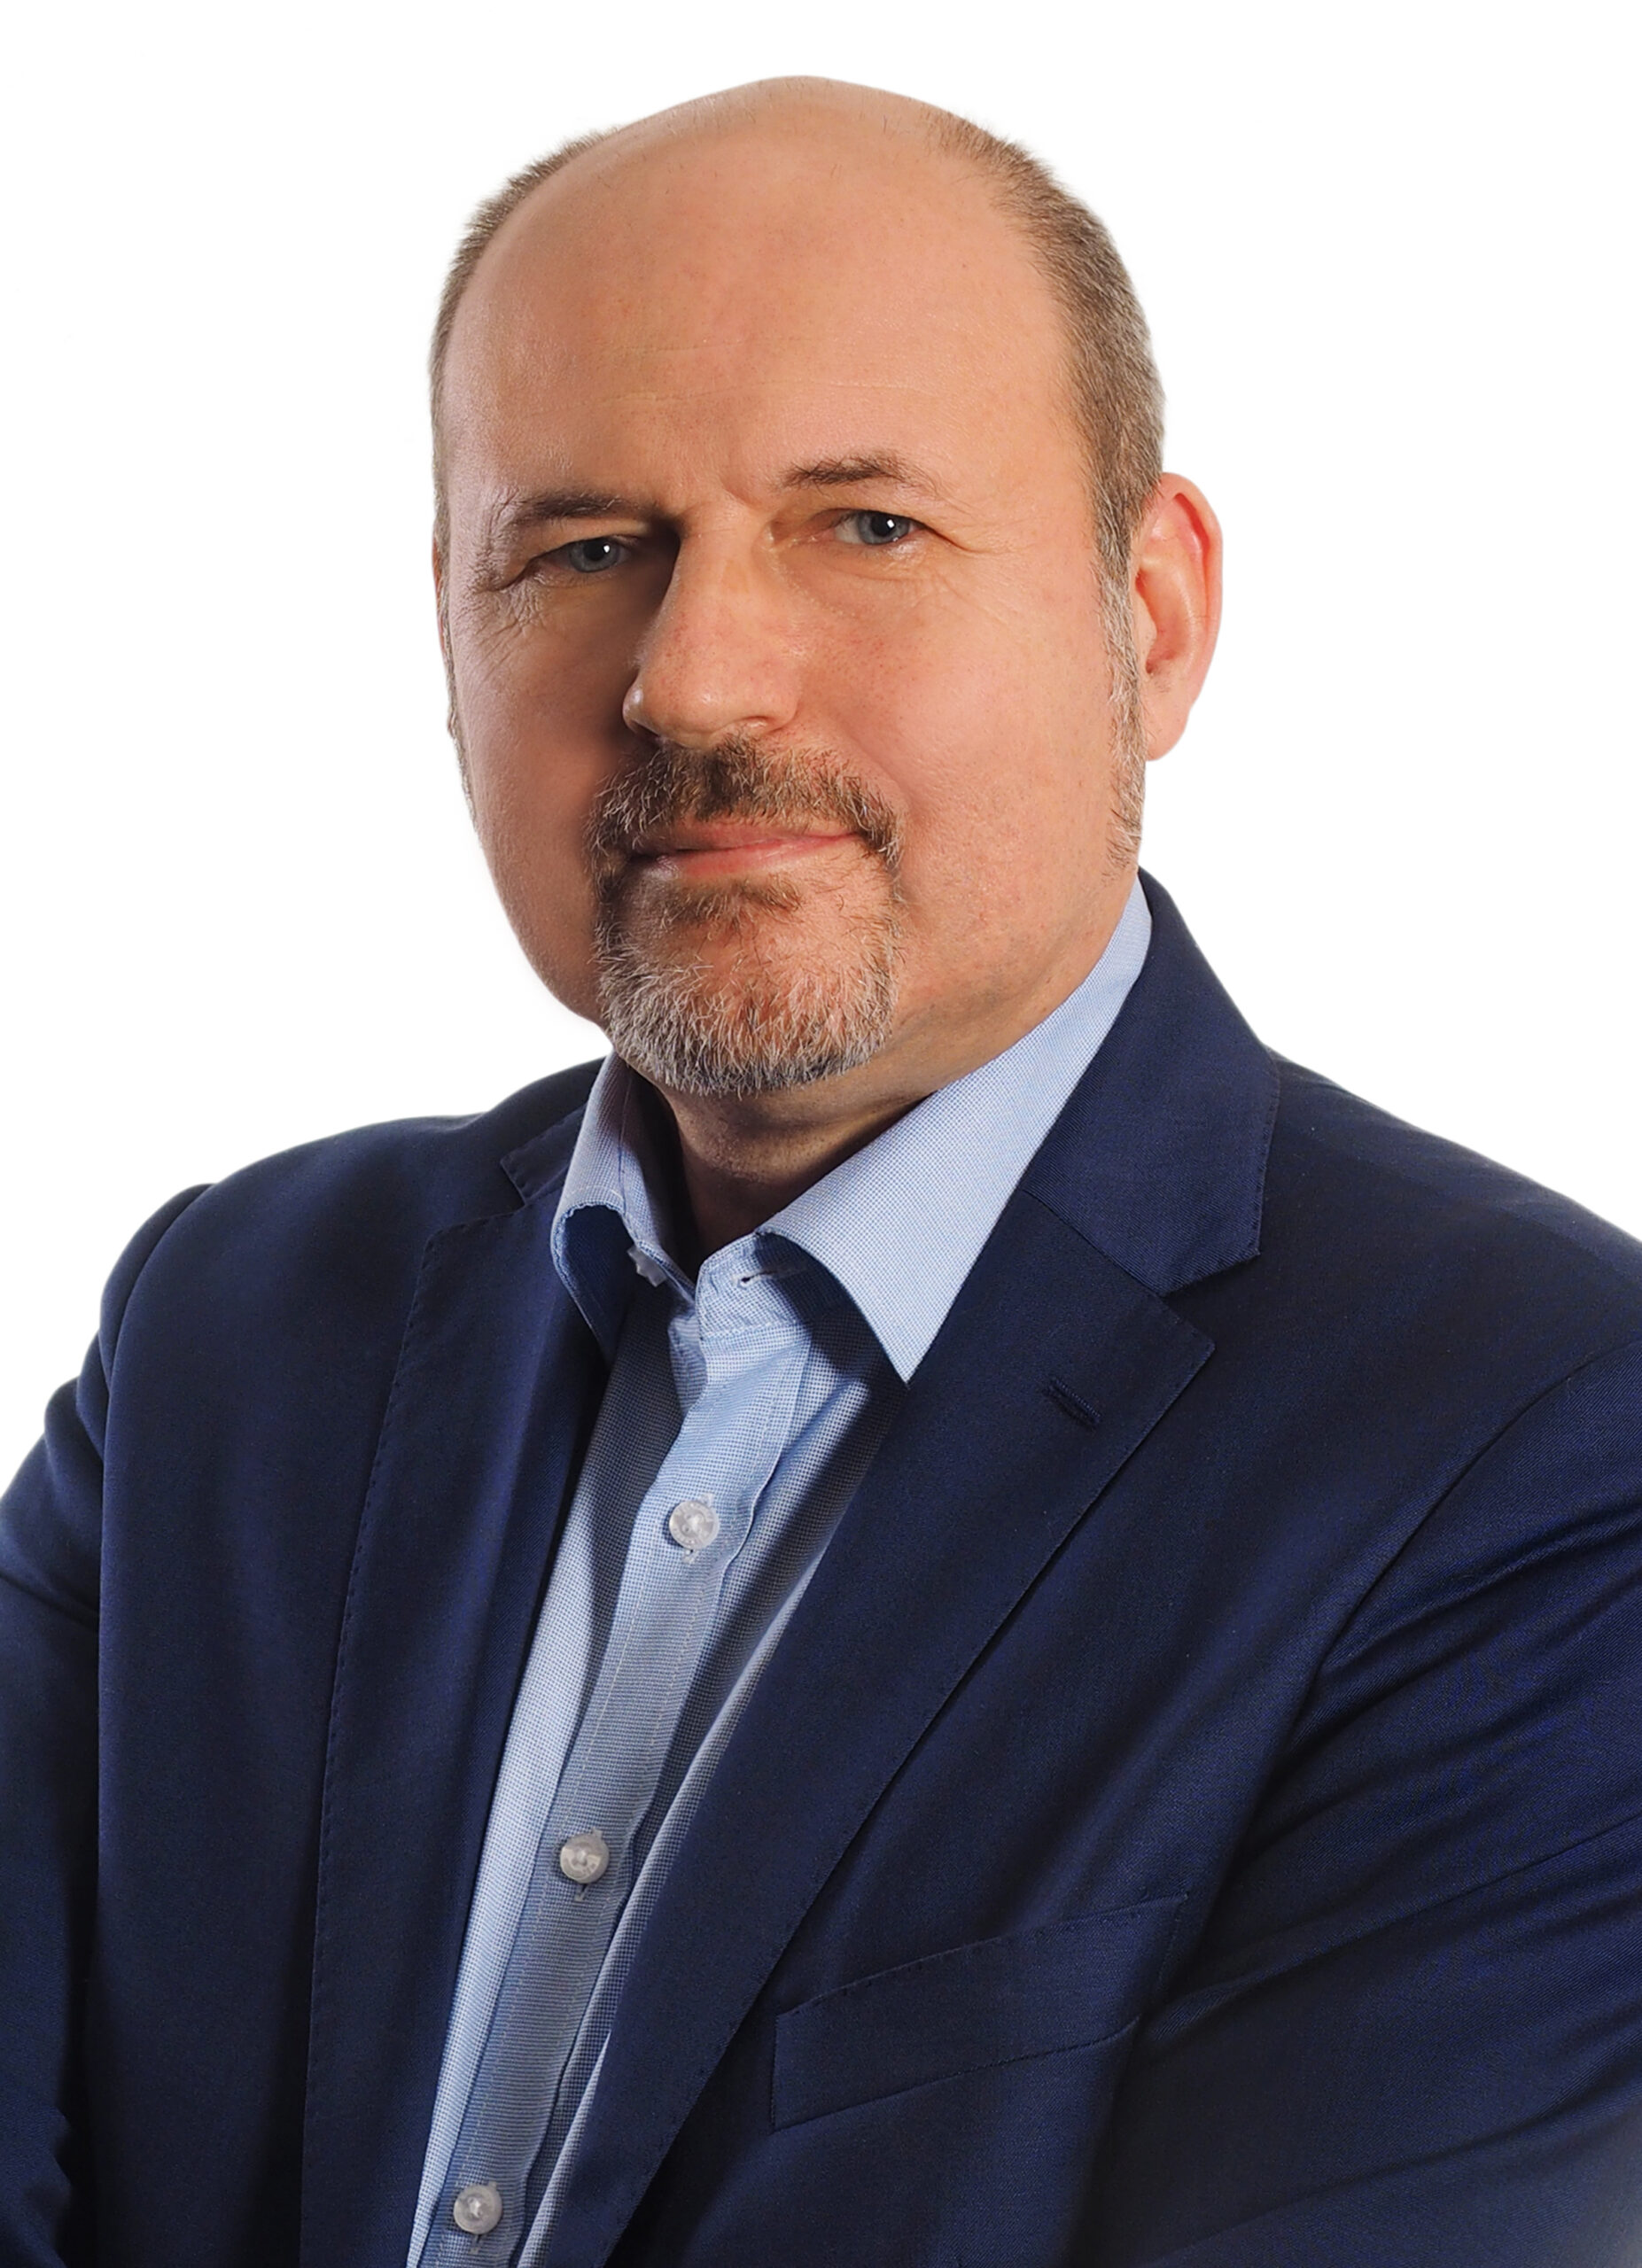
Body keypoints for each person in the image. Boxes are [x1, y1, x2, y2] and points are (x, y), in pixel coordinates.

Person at [4, 74, 1641, 2268]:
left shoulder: (1537, 1444)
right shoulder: (231, 1326)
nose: (696, 678)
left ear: (1151, 615)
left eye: (864, 525)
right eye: (583, 550)